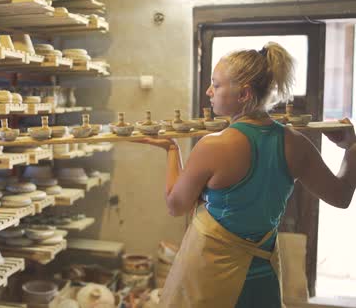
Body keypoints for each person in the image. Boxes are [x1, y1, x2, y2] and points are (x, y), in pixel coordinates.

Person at [138, 42, 356, 308]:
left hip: (213, 274)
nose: (209, 91)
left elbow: (176, 205)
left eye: (216, 85)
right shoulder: (295, 143)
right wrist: (351, 148)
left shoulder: (214, 145)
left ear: (243, 94)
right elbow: (341, 196)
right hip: (262, 271)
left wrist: (172, 149)